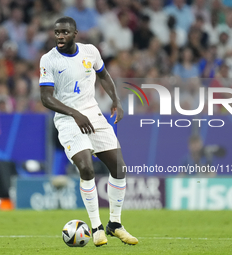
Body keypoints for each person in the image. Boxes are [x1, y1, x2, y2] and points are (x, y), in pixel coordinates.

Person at [39, 17, 138, 246]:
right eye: (56, 33)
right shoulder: (49, 60)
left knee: (119, 167)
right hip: (67, 119)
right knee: (86, 167)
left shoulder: (90, 52)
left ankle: (115, 224)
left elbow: (103, 75)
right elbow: (45, 98)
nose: (59, 36)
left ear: (75, 33)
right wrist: (74, 113)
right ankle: (96, 228)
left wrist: (116, 100)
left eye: (64, 32)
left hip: (93, 114)